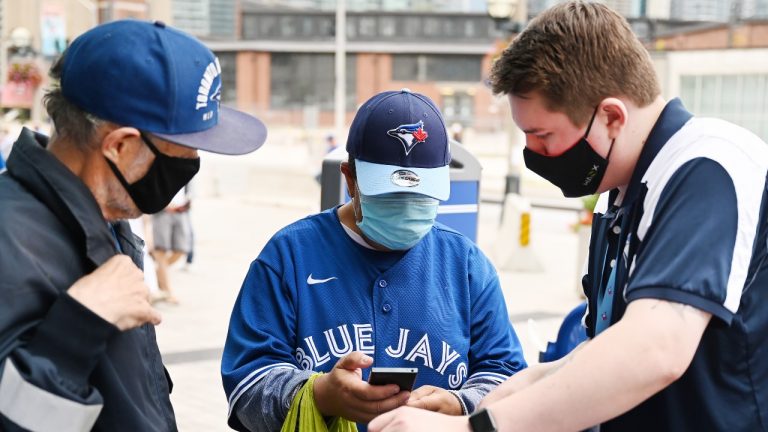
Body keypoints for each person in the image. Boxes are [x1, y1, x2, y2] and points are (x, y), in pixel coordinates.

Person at [369, 2, 768, 432]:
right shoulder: (619, 194)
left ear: (612, 117)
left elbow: (656, 347)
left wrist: (478, 430)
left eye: (543, 137)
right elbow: (606, 349)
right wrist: (495, 401)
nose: (534, 156)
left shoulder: (707, 166)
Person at [0, 20, 266, 431]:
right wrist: (78, 326)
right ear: (120, 145)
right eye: (185, 150)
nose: (192, 164)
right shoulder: (10, 241)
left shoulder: (103, 218)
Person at [222, 89, 526, 432]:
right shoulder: (288, 256)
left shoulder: (467, 265)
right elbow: (245, 388)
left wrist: (461, 404)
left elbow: (507, 374)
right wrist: (319, 395)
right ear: (350, 178)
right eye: (392, 194)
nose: (407, 206)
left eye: (422, 195)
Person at [152, 183, 194, 304]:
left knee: (181, 250)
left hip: (180, 211)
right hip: (162, 211)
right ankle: (167, 292)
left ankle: (157, 272)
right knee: (161, 251)